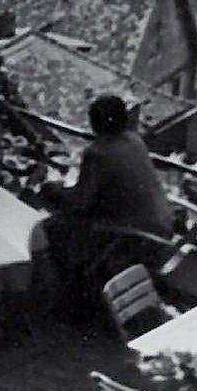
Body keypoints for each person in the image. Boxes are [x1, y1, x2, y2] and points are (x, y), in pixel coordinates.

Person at [39, 94, 177, 323]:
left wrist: (54, 190)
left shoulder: (97, 153)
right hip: (162, 227)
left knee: (56, 230)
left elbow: (80, 202)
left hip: (135, 236)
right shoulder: (135, 140)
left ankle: (65, 304)